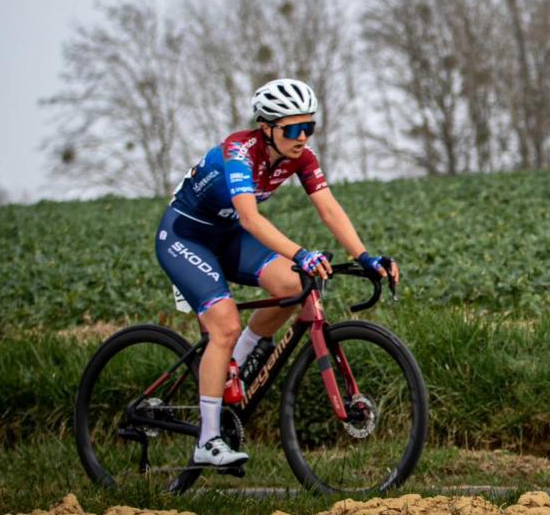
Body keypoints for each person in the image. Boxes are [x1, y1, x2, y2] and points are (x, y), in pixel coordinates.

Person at [155, 77, 399, 468]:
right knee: (224, 323)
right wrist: (300, 252)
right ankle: (207, 440)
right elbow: (251, 219)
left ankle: (238, 360)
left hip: (227, 235)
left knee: (291, 284)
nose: (303, 137)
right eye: (293, 129)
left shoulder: (300, 157)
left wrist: (366, 256)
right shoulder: (239, 152)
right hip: (186, 238)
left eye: (310, 127)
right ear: (266, 128)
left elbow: (329, 209)